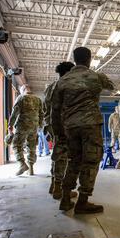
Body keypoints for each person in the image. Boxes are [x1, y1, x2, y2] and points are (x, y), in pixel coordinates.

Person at [52, 47, 115, 214]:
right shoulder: (95, 77)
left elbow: (55, 109)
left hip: (70, 127)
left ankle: (65, 199)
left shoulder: (63, 81)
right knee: (91, 161)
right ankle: (82, 201)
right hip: (90, 125)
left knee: (74, 161)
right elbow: (111, 86)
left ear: (74, 59)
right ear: (88, 59)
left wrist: (59, 132)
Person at [43, 61, 77, 199]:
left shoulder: (51, 86)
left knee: (56, 155)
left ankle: (53, 185)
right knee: (63, 157)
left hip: (52, 124)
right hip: (63, 125)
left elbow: (45, 108)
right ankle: (59, 188)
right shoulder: (66, 86)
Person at [8, 85, 43, 176]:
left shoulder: (21, 98)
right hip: (34, 127)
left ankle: (22, 164)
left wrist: (10, 125)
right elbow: (42, 114)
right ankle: (31, 168)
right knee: (32, 146)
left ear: (22, 90)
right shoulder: (38, 100)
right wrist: (40, 125)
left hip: (22, 126)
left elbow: (15, 112)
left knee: (16, 144)